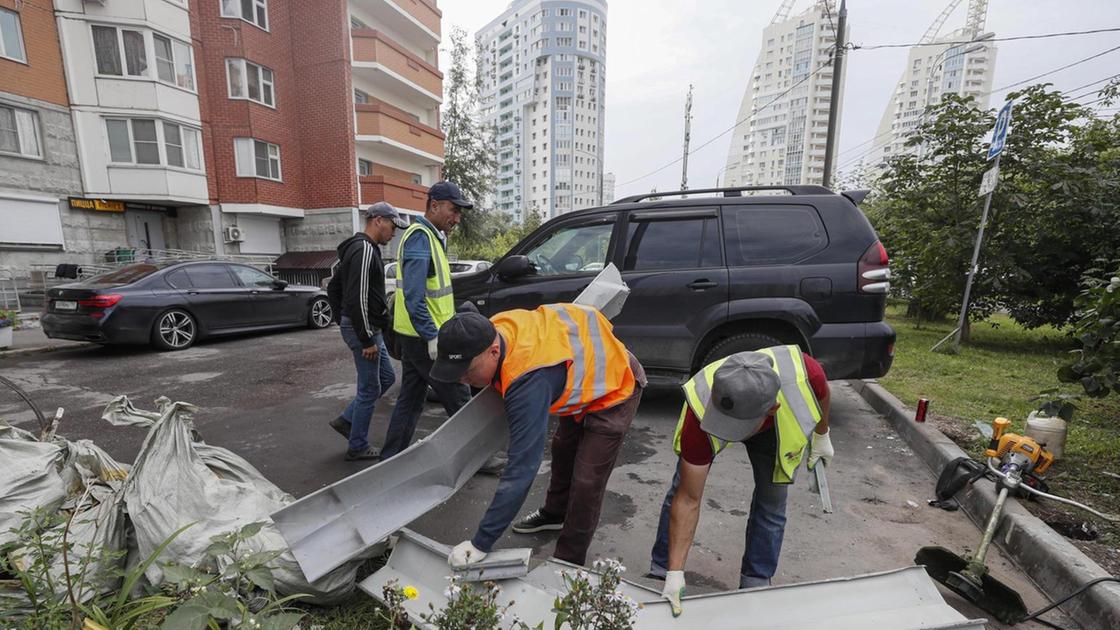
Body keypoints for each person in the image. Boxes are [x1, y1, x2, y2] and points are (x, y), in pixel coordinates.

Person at [430, 303, 647, 568]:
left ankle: (568, 562)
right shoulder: (495, 328)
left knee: (587, 481)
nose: (462, 380)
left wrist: (480, 543)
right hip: (580, 377)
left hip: (614, 387)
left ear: (494, 351)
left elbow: (521, 468)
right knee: (563, 450)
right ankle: (554, 514)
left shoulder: (529, 380)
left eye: (467, 372)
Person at [649, 346, 833, 617]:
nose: (730, 434)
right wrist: (676, 573)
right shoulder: (701, 407)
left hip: (774, 432)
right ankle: (664, 571)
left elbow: (823, 394)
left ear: (773, 408)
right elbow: (690, 499)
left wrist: (822, 433)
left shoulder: (807, 376)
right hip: (708, 420)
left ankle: (755, 584)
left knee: (772, 503)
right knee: (683, 488)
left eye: (736, 427)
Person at [380, 181, 476, 462]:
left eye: (459, 212)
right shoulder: (421, 237)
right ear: (434, 205)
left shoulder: (432, 237)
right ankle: (479, 456)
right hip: (425, 338)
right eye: (453, 210)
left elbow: (434, 293)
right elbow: (413, 295)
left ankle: (390, 457)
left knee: (410, 399)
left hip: (419, 337)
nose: (457, 217)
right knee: (458, 395)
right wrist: (432, 335)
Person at [326, 202, 408, 460]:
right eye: (393, 226)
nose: (393, 233)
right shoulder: (362, 249)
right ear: (378, 220)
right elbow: (357, 297)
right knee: (369, 389)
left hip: (368, 328)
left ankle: (347, 421)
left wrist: (346, 321)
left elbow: (333, 289)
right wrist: (363, 337)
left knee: (386, 378)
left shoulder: (361, 248)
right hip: (367, 332)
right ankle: (357, 445)